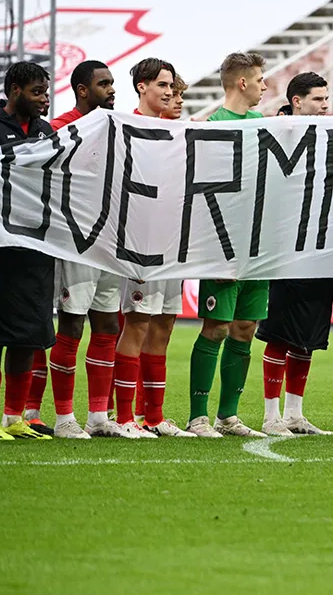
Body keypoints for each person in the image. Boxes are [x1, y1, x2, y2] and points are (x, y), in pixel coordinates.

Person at [17, 61, 120, 439]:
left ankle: (98, 416)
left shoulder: (119, 128)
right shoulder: (60, 129)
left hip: (111, 240)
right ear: (82, 90)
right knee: (72, 324)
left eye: (112, 83)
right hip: (75, 241)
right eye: (104, 84)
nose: (112, 89)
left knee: (108, 325)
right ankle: (63, 418)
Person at [106, 58, 195, 438]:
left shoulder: (177, 133)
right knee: (137, 324)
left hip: (172, 246)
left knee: (164, 326)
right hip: (139, 246)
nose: (170, 93)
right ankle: (124, 417)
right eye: (163, 85)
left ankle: (153, 417)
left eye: (172, 86)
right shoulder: (126, 129)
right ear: (142, 87)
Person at [186, 52, 270, 438]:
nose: (265, 86)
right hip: (223, 246)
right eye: (260, 79)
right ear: (242, 83)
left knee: (246, 328)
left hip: (259, 246)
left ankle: (228, 416)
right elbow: (201, 193)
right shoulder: (212, 127)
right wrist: (210, 251)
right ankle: (197, 417)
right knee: (217, 327)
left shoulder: (263, 124)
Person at [0, 62, 56, 441]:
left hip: (37, 244)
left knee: (30, 334)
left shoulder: (45, 132)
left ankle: (13, 417)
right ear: (15, 90)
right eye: (37, 92)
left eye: (46, 92)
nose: (44, 99)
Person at [256, 72, 333, 436]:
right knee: (280, 333)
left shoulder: (332, 134)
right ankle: (270, 416)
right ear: (296, 101)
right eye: (318, 99)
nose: (325, 105)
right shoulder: (273, 133)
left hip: (321, 246)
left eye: (326, 99)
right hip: (284, 247)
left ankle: (294, 414)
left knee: (308, 335)